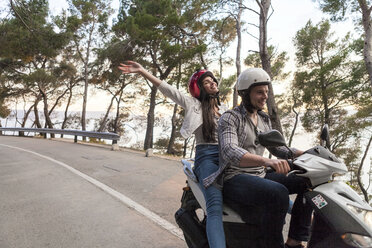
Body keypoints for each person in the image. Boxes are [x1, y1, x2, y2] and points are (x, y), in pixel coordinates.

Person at [118, 61, 227, 248]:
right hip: (206, 157)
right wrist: (143, 71)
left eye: (213, 80)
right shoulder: (194, 105)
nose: (212, 83)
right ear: (198, 88)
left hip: (227, 157)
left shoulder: (225, 109)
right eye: (206, 82)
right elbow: (168, 90)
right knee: (214, 207)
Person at [217, 68, 313, 248]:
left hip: (259, 174)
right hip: (234, 178)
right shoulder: (230, 117)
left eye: (266, 92)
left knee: (308, 179)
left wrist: (303, 152)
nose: (265, 96)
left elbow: (277, 148)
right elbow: (229, 150)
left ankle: (295, 240)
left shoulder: (263, 118)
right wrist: (266, 161)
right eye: (259, 92)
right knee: (278, 193)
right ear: (245, 93)